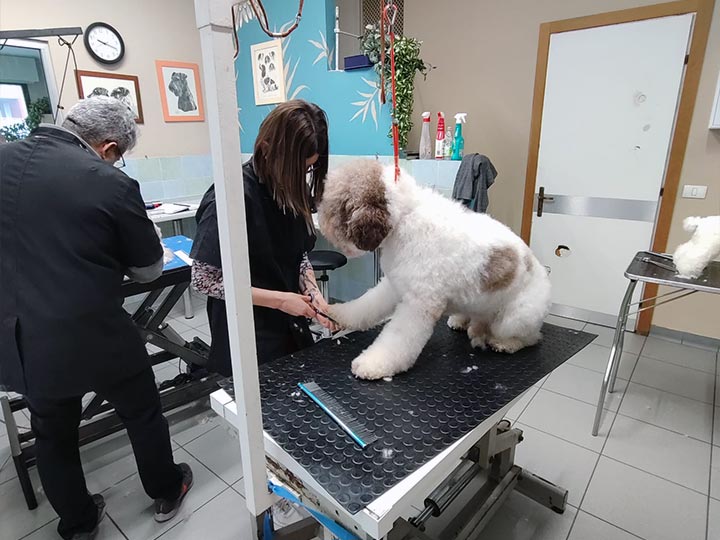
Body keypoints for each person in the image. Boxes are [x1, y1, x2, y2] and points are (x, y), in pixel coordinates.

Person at [0, 97, 193, 540]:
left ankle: (79, 523)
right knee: (142, 411)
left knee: (52, 434)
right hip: (93, 334)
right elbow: (147, 268)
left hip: (21, 337)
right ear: (108, 148)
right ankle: (167, 487)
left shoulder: (4, 158)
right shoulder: (109, 182)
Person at [190, 99, 335, 375]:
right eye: (295, 169)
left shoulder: (292, 190)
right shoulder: (231, 196)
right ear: (266, 149)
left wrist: (314, 293)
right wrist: (281, 300)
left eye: (308, 170)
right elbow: (203, 279)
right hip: (248, 332)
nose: (300, 179)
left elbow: (299, 255)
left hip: (289, 327)